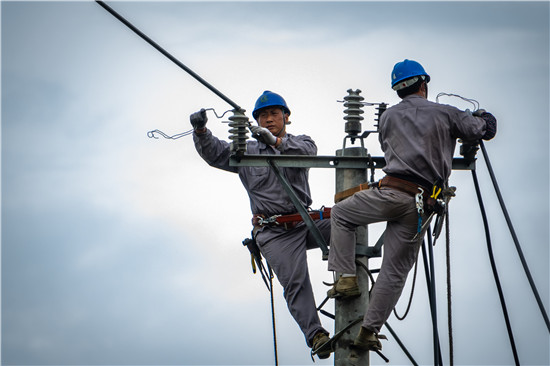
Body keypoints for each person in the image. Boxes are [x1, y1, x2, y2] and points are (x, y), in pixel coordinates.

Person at [327, 59, 497, 351]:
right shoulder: (446, 113)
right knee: (395, 271)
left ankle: (345, 279)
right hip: (421, 204)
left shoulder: (387, 118)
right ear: (423, 85)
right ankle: (368, 331)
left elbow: (385, 146)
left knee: (341, 214)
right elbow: (481, 130)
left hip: (390, 193)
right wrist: (483, 117)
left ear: (397, 91)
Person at [190, 91, 332, 358]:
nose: (268, 119)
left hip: (305, 223)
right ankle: (316, 335)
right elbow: (216, 153)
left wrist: (277, 143)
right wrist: (200, 131)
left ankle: (347, 279)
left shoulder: (301, 142)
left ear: (286, 117)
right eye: (263, 116)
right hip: (274, 232)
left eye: (274, 114)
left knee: (347, 219)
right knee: (295, 282)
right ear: (256, 120)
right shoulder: (246, 151)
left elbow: (308, 151)